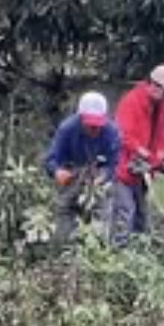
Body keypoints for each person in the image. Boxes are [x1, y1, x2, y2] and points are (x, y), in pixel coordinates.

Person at [113, 65, 164, 244]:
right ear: (154, 85)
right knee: (125, 212)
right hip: (123, 167)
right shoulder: (131, 102)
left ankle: (138, 251)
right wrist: (145, 155)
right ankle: (118, 250)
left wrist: (160, 158)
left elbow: (160, 136)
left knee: (141, 215)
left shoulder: (162, 105)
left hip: (143, 170)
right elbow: (124, 136)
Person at [45, 91, 121, 243]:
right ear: (80, 118)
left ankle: (98, 245)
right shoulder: (67, 129)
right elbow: (51, 160)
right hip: (71, 176)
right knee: (65, 213)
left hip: (97, 179)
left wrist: (103, 176)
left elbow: (113, 164)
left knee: (101, 216)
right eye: (90, 125)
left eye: (97, 125)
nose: (94, 129)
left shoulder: (111, 132)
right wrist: (57, 172)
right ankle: (65, 244)